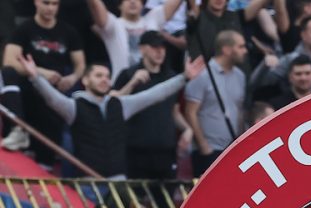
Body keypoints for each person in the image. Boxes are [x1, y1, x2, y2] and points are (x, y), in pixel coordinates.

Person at [21, 54, 203, 179]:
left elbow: (155, 94)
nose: (104, 80)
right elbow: (52, 99)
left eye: (107, 76)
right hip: (88, 181)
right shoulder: (75, 106)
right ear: (85, 80)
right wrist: (35, 78)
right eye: (98, 75)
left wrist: (184, 77)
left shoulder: (120, 105)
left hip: (118, 181)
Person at [0, 0, 85, 165]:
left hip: (53, 95)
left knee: (46, 154)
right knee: (7, 74)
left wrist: (72, 78)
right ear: (36, 3)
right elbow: (9, 62)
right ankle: (17, 129)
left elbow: (80, 64)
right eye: (46, 3)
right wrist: (40, 73)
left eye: (55, 4)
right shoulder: (24, 29)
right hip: (27, 91)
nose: (50, 8)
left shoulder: (68, 31)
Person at [113, 30, 192, 180]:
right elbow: (114, 106)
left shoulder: (172, 77)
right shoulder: (128, 74)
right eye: (155, 47)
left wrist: (187, 129)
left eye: (162, 48)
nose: (160, 52)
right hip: (136, 150)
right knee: (135, 200)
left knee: (164, 200)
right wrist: (132, 83)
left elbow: (174, 112)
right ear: (142, 49)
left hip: (165, 150)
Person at [185, 30, 247, 176]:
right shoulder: (203, 74)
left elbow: (239, 111)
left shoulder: (240, 76)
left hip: (232, 150)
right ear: (226, 49)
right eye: (240, 46)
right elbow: (190, 111)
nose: (245, 51)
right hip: (209, 150)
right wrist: (203, 146)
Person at [86, 0, 184, 80]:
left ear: (142, 4)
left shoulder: (153, 18)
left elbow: (175, 3)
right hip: (122, 85)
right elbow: (94, 5)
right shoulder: (114, 24)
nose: (132, 2)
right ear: (119, 6)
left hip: (152, 85)